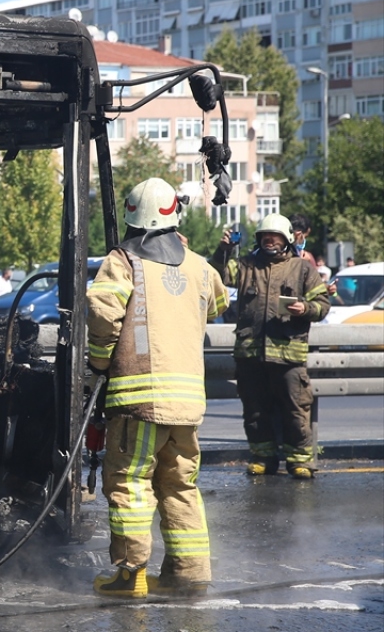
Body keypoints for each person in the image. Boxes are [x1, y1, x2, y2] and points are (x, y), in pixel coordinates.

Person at [87, 178, 228, 599]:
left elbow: (101, 314)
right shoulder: (200, 265)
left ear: (128, 215)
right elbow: (219, 304)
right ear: (173, 216)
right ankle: (189, 574)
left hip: (139, 401)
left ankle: (130, 575)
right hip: (187, 405)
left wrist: (97, 362)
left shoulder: (122, 261)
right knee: (180, 486)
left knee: (129, 483)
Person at [211, 213, 329, 480]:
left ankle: (300, 461)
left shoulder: (302, 269)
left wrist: (306, 308)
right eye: (265, 236)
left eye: (274, 237)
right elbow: (216, 275)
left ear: (286, 239)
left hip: (288, 354)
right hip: (250, 354)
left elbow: (323, 305)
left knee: (295, 408)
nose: (269, 241)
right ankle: (262, 457)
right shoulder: (246, 265)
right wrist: (223, 249)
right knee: (255, 410)